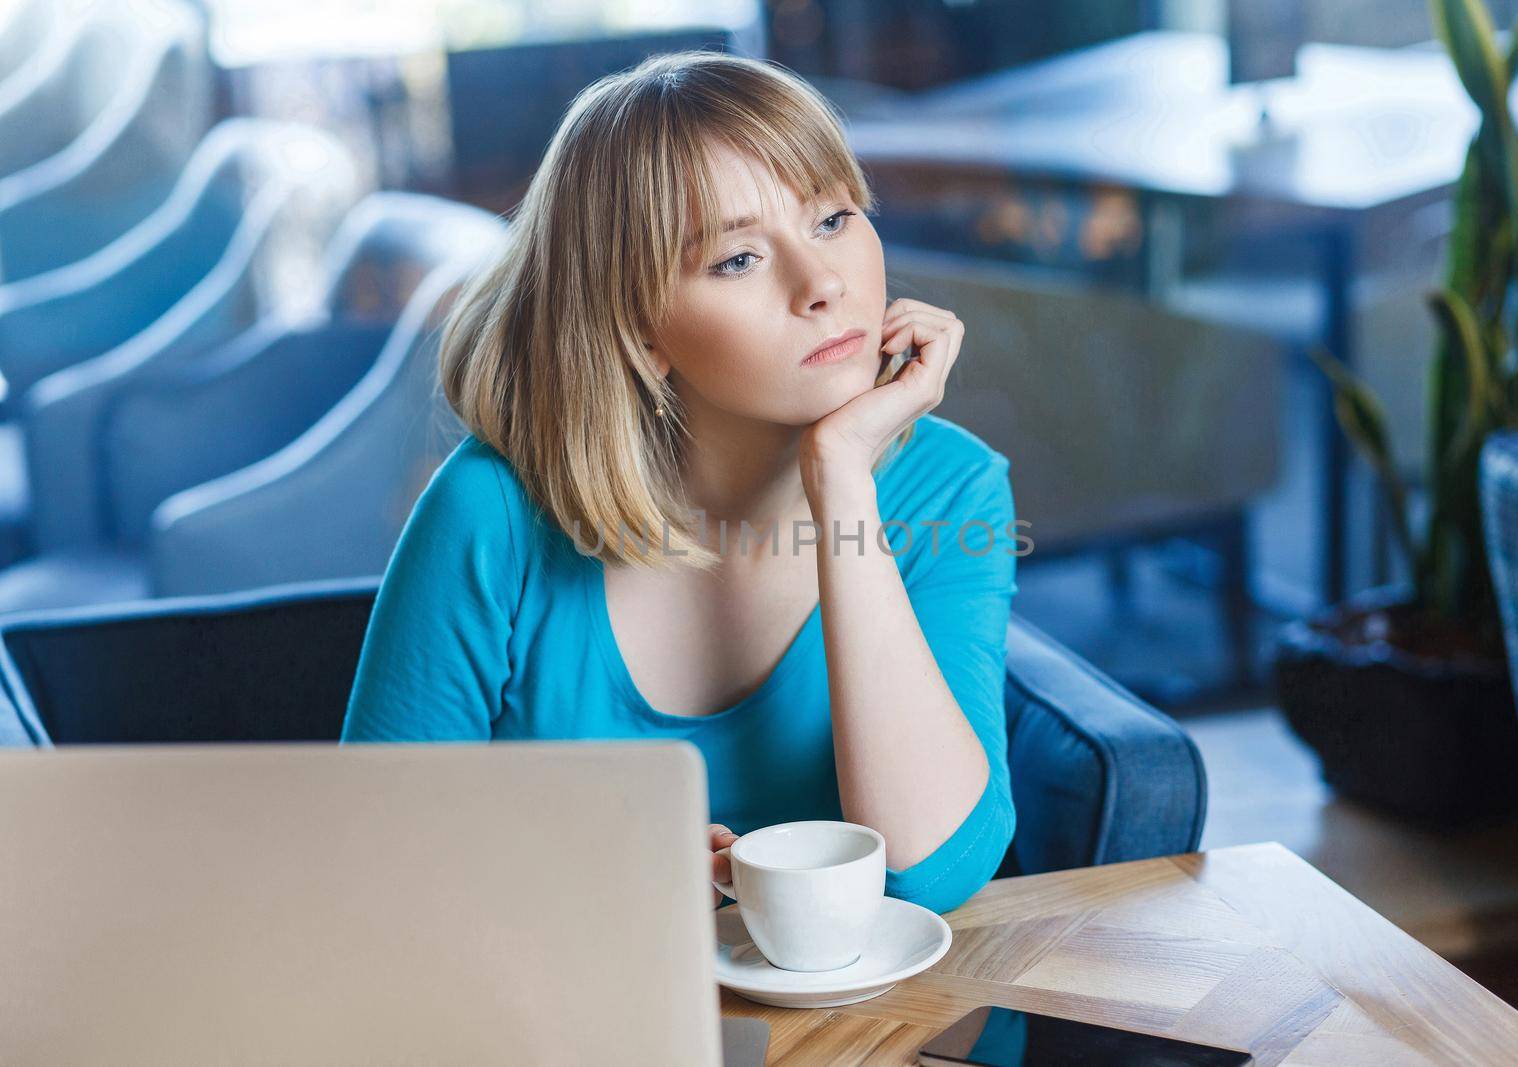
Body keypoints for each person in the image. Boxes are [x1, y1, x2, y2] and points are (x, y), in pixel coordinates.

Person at [341, 50, 1027, 916]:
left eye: (832, 218)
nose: (823, 285)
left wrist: (842, 477)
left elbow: (931, 869)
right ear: (637, 329)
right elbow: (370, 865)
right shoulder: (493, 511)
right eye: (737, 259)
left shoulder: (952, 490)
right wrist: (595, 860)